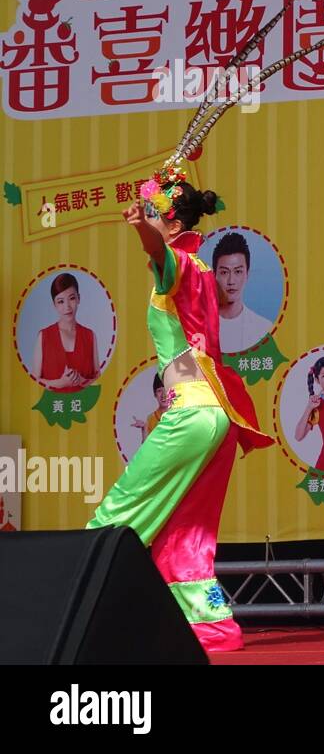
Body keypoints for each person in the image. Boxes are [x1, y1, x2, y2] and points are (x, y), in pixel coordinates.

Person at [88, 169, 272, 653]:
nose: (147, 220)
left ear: (170, 224)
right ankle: (212, 624)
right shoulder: (205, 271)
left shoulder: (181, 265)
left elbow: (155, 252)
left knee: (119, 511)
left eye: (154, 214)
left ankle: (75, 599)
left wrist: (139, 226)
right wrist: (148, 222)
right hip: (217, 415)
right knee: (185, 530)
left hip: (192, 412)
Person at [32, 272, 100, 392]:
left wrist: (82, 380)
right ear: (54, 304)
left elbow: (98, 378)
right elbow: (34, 380)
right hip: (53, 407)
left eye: (72, 298)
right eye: (61, 301)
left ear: (79, 298)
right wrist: (59, 383)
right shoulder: (44, 336)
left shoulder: (90, 336)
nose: (67, 306)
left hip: (85, 406)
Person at [213, 231, 274, 352]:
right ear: (214, 275)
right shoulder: (199, 326)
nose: (231, 281)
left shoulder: (263, 328)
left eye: (238, 271)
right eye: (224, 272)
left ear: (247, 274)